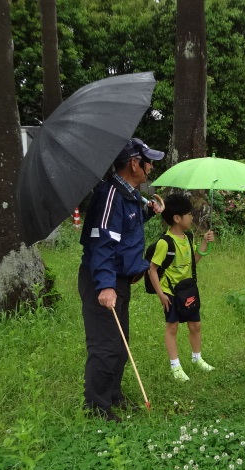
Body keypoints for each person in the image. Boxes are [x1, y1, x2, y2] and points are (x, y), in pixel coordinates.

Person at [78, 138, 164, 422]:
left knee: (120, 342)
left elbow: (124, 228)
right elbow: (101, 242)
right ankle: (96, 408)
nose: (151, 168)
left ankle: (113, 394)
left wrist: (148, 211)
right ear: (134, 164)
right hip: (103, 281)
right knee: (105, 346)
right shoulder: (110, 195)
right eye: (148, 162)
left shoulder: (126, 194)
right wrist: (105, 286)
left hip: (120, 280)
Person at [148, 194, 216, 382]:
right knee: (173, 326)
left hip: (188, 290)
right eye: (189, 214)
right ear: (177, 218)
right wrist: (161, 295)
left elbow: (192, 261)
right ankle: (175, 366)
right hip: (170, 292)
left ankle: (197, 358)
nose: (192, 217)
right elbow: (152, 270)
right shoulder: (165, 243)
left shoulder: (188, 237)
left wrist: (204, 243)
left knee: (196, 325)